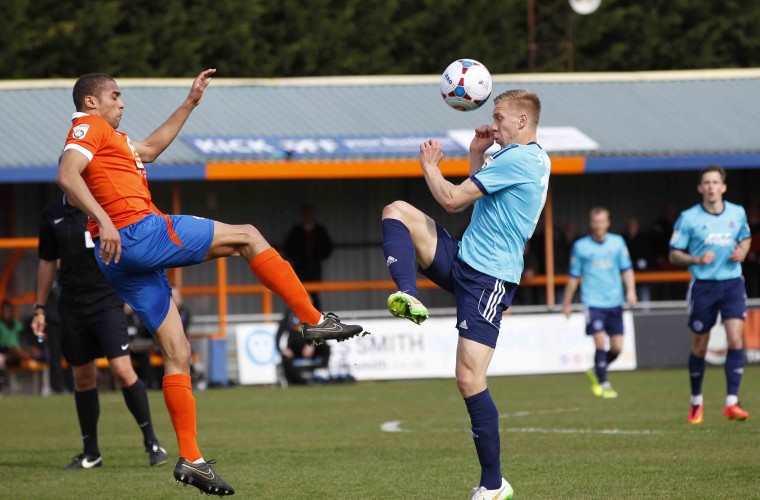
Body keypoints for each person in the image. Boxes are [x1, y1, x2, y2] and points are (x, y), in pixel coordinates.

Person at [55, 69, 363, 495]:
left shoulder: (115, 140)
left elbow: (152, 148)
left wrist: (190, 102)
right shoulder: (88, 125)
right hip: (138, 231)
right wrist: (106, 221)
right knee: (249, 236)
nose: (122, 103)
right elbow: (67, 174)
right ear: (91, 101)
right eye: (115, 95)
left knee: (178, 352)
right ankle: (314, 320)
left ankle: (191, 459)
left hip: (121, 259)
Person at [381, 89, 550, 500]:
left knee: (469, 378)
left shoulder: (522, 159)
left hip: (489, 279)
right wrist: (477, 152)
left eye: (499, 116)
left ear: (522, 121)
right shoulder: (516, 158)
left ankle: (494, 484)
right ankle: (408, 293)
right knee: (396, 210)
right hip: (464, 259)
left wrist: (429, 166)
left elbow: (452, 199)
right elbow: (479, 198)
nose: (494, 123)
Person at [32, 195, 169, 469]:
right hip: (71, 304)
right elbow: (47, 261)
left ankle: (152, 443)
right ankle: (91, 453)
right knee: (82, 377)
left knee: (122, 370)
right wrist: (39, 308)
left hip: (106, 300)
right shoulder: (52, 213)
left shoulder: (103, 205)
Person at [669, 165, 751, 424]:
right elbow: (674, 253)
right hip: (703, 286)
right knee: (700, 346)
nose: (711, 186)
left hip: (732, 284)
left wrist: (743, 251)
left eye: (716, 182)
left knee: (736, 338)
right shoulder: (689, 217)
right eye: (707, 182)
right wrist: (696, 258)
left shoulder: (737, 213)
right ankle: (696, 403)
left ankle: (732, 403)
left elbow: (745, 237)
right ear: (700, 188)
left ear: (723, 187)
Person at [561, 207, 637, 399]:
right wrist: (566, 302)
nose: (598, 225)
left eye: (602, 221)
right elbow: (573, 276)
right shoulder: (581, 246)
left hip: (615, 301)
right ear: (590, 223)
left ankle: (596, 370)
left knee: (617, 348)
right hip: (593, 302)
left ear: (608, 222)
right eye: (595, 222)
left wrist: (631, 291)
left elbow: (627, 270)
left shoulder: (618, 243)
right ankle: (604, 383)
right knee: (600, 340)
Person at [284, 203, 334, 310]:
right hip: (300, 268)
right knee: (299, 294)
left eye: (309, 213)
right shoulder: (296, 231)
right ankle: (300, 317)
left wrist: (318, 256)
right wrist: (297, 257)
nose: (307, 216)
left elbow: (328, 246)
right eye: (304, 213)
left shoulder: (319, 230)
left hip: (314, 268)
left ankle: (317, 318)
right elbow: (288, 247)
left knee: (314, 294)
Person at [276, 307, 331, 386]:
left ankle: (321, 375)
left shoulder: (314, 313)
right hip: (295, 347)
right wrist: (282, 350)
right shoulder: (290, 314)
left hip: (311, 347)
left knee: (326, 348)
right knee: (285, 357)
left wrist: (312, 344)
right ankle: (295, 382)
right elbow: (280, 333)